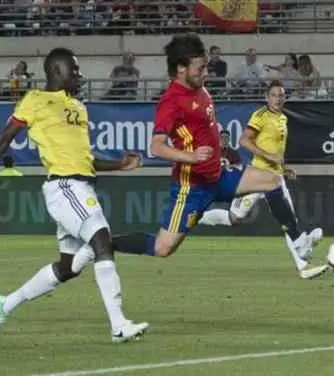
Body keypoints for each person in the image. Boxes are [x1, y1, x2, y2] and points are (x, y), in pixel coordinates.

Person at [0, 48, 150, 343]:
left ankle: (3, 304)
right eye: (75, 70)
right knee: (101, 240)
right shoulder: (35, 101)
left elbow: (85, 158)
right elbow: (2, 140)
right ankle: (118, 325)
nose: (80, 76)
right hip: (64, 187)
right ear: (57, 71)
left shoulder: (80, 108)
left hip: (82, 186)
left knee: (69, 267)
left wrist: (120, 164)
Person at [106, 34, 323, 267]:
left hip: (218, 176)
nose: (206, 73)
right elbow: (156, 147)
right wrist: (191, 156)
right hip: (192, 187)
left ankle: (298, 240)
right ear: (181, 69)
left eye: (206, 66)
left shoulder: (200, 89)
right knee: (162, 248)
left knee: (273, 181)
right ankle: (105, 245)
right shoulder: (170, 101)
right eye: (200, 68)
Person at [196, 80, 328, 279]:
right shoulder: (261, 116)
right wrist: (269, 157)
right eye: (274, 95)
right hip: (256, 176)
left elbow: (277, 152)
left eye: (281, 95)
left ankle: (302, 265)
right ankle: (197, 216)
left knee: (288, 219)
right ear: (267, 97)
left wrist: (284, 168)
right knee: (235, 218)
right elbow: (243, 140)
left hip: (275, 177)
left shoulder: (282, 118)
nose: (278, 98)